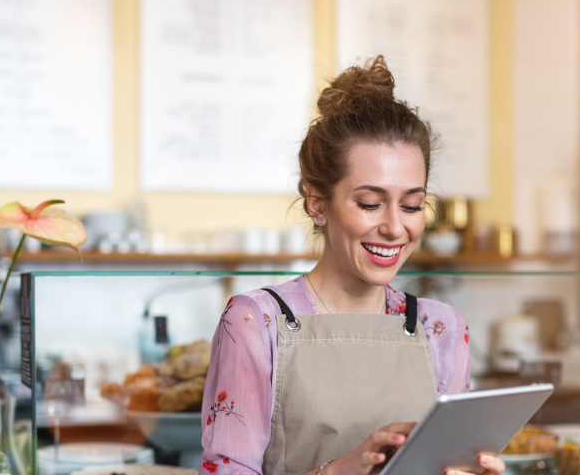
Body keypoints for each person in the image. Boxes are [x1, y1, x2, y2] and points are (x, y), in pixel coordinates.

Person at [199, 55, 505, 475]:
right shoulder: (256, 323)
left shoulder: (443, 328)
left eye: (413, 205)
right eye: (370, 203)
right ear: (317, 202)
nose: (395, 227)